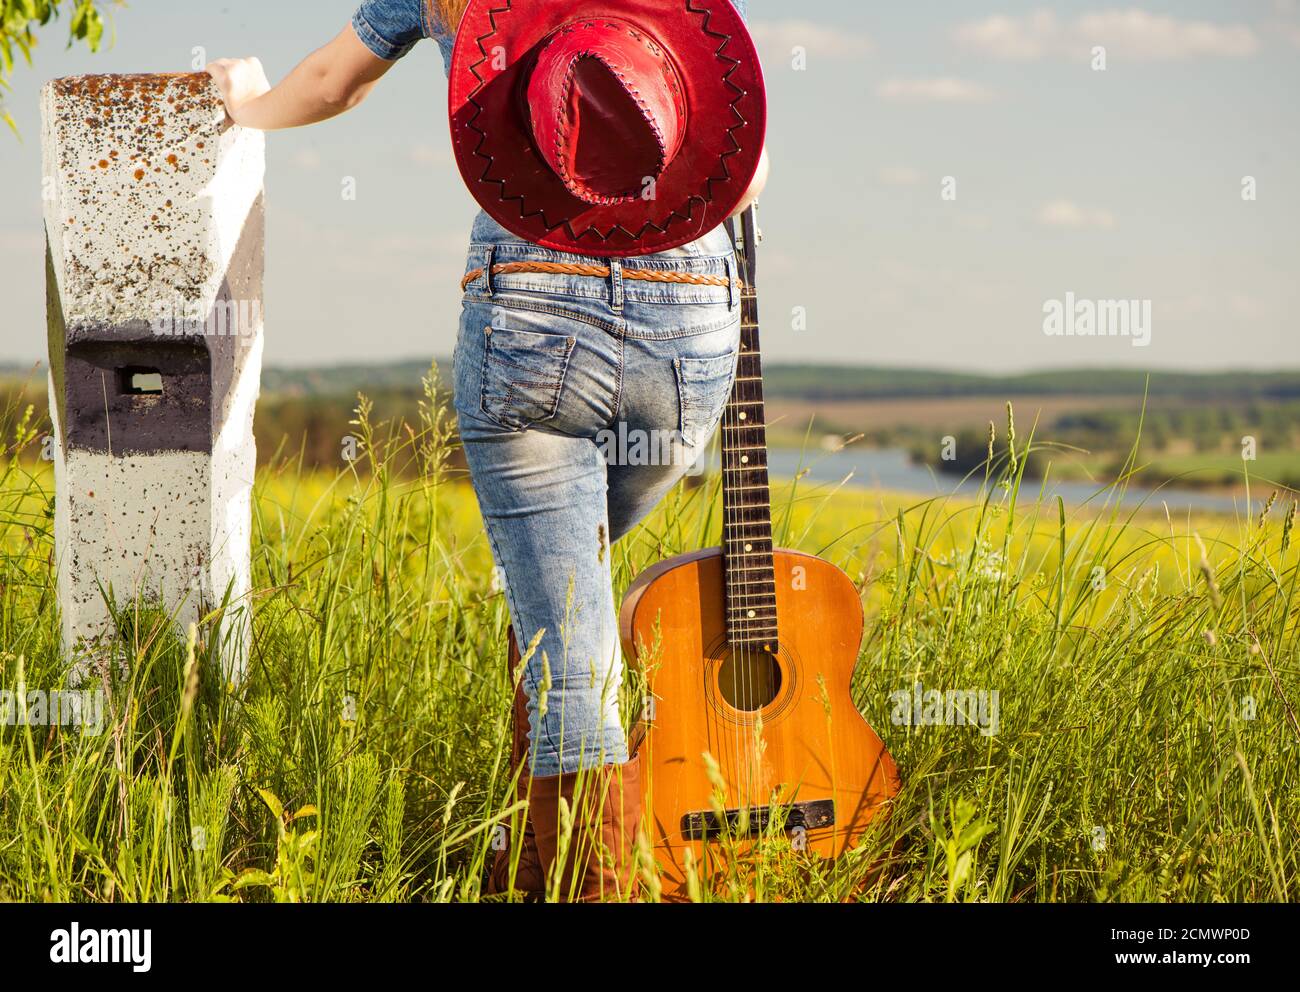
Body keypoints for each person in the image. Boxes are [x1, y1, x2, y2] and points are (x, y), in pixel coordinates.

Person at [206, 0, 768, 901]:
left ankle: (599, 888)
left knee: (570, 652)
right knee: (559, 606)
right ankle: (529, 862)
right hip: (691, 324)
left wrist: (243, 106)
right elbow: (748, 173)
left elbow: (330, 84)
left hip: (536, 320)